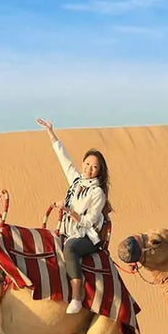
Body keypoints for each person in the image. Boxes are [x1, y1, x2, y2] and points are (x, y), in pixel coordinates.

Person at [36, 117, 110, 315]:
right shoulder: (76, 181)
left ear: (100, 171)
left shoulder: (97, 193)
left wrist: (69, 211)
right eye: (87, 164)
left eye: (94, 167)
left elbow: (89, 221)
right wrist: (50, 131)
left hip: (88, 236)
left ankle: (77, 296)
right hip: (68, 230)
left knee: (70, 249)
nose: (89, 169)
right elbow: (63, 158)